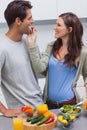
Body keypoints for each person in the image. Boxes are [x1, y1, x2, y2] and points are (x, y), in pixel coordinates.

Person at [28, 12, 87, 109]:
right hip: (49, 105)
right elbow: (39, 68)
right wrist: (32, 45)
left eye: (58, 25)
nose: (54, 27)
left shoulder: (82, 51)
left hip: (70, 105)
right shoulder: (51, 46)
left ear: (69, 29)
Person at [0, 0, 43, 117]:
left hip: (41, 109)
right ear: (18, 21)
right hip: (22, 115)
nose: (33, 21)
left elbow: (40, 71)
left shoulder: (29, 40)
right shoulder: (2, 48)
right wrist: (5, 111)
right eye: (29, 18)